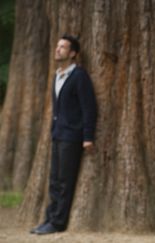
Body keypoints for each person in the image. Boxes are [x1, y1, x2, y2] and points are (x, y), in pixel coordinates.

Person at [30, 34, 97, 235]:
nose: (58, 49)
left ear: (73, 53)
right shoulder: (57, 76)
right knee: (54, 179)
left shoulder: (79, 76)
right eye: (58, 46)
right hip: (58, 135)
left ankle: (58, 222)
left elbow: (89, 108)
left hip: (73, 137)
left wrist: (88, 137)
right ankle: (50, 218)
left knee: (65, 181)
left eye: (63, 47)